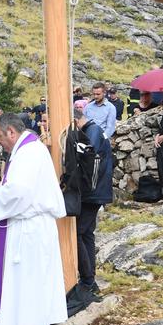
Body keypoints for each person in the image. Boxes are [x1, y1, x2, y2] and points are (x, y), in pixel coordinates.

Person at [0, 113, 67, 325]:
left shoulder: (29, 153)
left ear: (11, 131)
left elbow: (18, 194)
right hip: (27, 227)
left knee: (24, 288)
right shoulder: (28, 150)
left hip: (28, 230)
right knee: (19, 287)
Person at [72, 103, 114, 304]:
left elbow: (88, 155)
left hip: (92, 192)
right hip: (95, 191)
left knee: (79, 233)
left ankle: (87, 280)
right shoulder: (93, 129)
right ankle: (90, 280)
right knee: (87, 234)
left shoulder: (93, 131)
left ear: (74, 121)